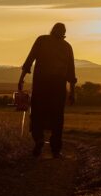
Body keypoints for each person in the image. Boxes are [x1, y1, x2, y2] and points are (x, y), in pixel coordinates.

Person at [18, 23, 77, 158]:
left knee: (37, 114)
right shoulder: (67, 47)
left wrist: (21, 79)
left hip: (40, 85)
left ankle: (38, 140)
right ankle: (56, 150)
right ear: (64, 33)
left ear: (52, 30)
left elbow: (29, 60)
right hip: (58, 87)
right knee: (57, 118)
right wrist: (72, 93)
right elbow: (71, 73)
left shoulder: (42, 40)